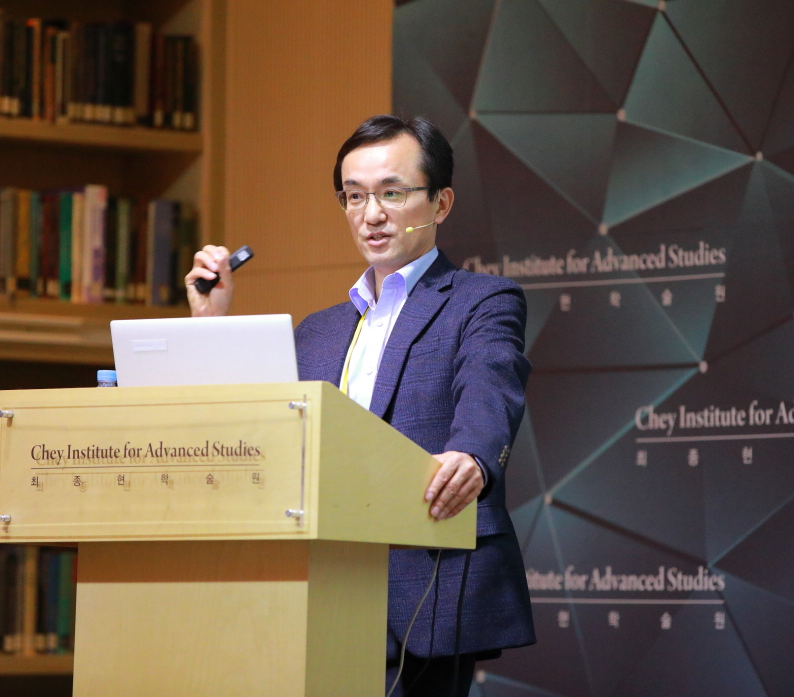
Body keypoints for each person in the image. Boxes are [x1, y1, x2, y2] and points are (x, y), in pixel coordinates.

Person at [185, 115, 535, 696]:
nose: (370, 214)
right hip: (314, 588)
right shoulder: (316, 331)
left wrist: (473, 456)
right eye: (354, 196)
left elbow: (491, 383)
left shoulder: (481, 300)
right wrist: (211, 324)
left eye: (391, 193)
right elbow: (254, 435)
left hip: (425, 577)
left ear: (441, 203)